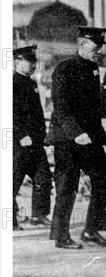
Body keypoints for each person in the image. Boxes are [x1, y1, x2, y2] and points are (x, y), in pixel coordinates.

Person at [46, 27, 106, 249]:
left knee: (104, 179)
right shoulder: (65, 68)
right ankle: (60, 235)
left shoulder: (93, 68)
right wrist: (77, 133)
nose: (100, 51)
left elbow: (94, 110)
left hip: (89, 137)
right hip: (67, 138)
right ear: (82, 44)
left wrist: (102, 139)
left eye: (101, 47)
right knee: (67, 186)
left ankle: (91, 230)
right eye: (96, 47)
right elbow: (62, 107)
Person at [13, 45, 53, 230]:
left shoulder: (31, 83)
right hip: (19, 144)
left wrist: (43, 137)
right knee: (12, 182)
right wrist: (21, 135)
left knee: (43, 178)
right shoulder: (12, 84)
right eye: (30, 62)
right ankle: (10, 220)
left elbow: (36, 114)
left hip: (35, 143)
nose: (33, 65)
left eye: (34, 62)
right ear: (18, 62)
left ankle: (39, 215)